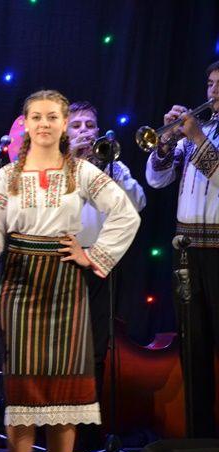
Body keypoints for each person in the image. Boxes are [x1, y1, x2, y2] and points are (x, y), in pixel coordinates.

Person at [0, 89, 140, 452]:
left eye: (52, 117)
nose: (44, 124)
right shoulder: (7, 177)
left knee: (66, 391)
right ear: (26, 124)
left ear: (63, 124)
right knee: (22, 391)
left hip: (65, 282)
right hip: (20, 281)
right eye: (36, 117)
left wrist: (93, 255)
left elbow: (126, 213)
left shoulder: (81, 171)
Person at [145, 61, 219, 438]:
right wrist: (165, 143)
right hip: (187, 250)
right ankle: (198, 439)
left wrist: (197, 138)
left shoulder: (199, 135)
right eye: (210, 84)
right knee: (193, 348)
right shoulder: (196, 132)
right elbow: (157, 180)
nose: (213, 92)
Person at [67, 101, 146, 405]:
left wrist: (112, 171)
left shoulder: (111, 164)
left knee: (97, 345)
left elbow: (137, 203)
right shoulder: (56, 165)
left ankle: (91, 422)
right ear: (65, 132)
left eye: (89, 125)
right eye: (76, 126)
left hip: (100, 261)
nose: (84, 131)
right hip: (64, 260)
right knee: (65, 345)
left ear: (98, 130)